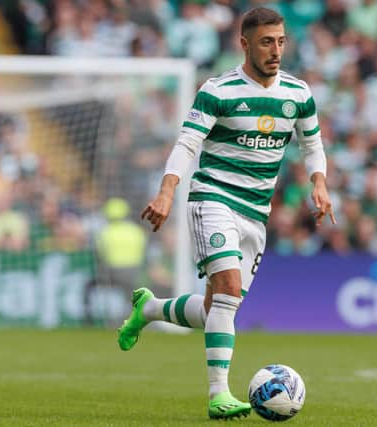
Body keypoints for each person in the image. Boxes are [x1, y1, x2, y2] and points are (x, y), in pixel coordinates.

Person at [117, 7, 335, 420]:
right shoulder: (218, 90)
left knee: (217, 306)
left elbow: (312, 144)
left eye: (282, 41)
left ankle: (148, 309)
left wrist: (319, 183)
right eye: (267, 42)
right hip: (213, 198)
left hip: (256, 213)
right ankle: (219, 394)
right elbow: (186, 145)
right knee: (229, 294)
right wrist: (166, 191)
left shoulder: (297, 94)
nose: (276, 50)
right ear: (245, 43)